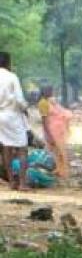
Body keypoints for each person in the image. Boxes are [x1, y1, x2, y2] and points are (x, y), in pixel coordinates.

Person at [0, 52, 30, 191]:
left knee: (6, 147)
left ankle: (12, 181)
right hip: (13, 115)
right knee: (22, 149)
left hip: (1, 115)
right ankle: (23, 183)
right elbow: (19, 99)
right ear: (7, 62)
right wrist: (25, 108)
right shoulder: (12, 77)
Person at [38, 85, 72, 178]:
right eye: (48, 90)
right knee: (57, 151)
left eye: (51, 90)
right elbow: (44, 120)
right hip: (52, 130)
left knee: (60, 151)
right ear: (43, 91)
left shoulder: (50, 101)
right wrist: (48, 134)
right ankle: (61, 170)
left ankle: (61, 170)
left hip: (58, 129)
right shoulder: (42, 103)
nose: (51, 92)